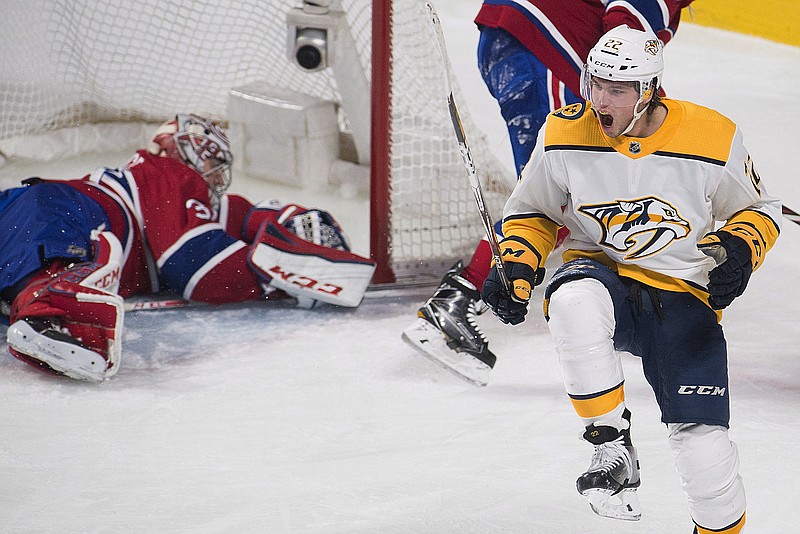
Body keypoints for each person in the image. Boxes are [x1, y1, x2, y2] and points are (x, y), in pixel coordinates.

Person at [481, 26, 780, 533]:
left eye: (616, 90)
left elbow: (756, 209)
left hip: (682, 291)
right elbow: (532, 211)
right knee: (574, 302)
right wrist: (516, 262)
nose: (600, 100)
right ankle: (610, 448)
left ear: (649, 92)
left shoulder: (713, 136)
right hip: (601, 273)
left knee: (704, 450)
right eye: (594, 84)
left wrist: (739, 249)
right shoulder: (565, 132)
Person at [402, 0, 695, 386]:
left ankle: (461, 297)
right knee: (558, 199)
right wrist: (659, 124)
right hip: (546, 45)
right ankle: (455, 302)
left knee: (560, 194)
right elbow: (621, 35)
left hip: (516, 40)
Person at [0, 114, 375, 382]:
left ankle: (33, 304)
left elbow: (240, 217)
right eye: (211, 159)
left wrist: (292, 224)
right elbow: (195, 264)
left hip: (25, 208)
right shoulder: (170, 176)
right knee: (82, 262)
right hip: (58, 212)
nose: (214, 174)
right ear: (183, 150)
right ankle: (46, 316)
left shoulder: (160, 189)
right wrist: (277, 278)